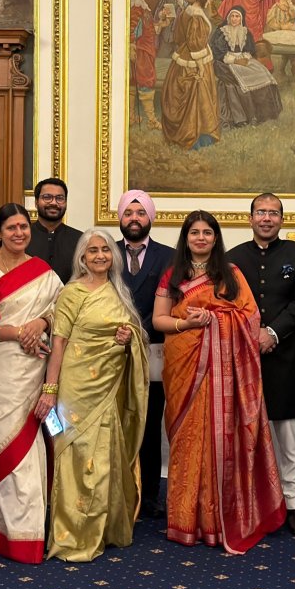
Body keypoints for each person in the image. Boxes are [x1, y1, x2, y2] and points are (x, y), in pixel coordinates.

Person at [151, 210, 283, 552]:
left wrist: (213, 318)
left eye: (207, 232)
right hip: (184, 366)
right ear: (186, 237)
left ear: (215, 237)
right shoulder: (172, 274)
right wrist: (189, 325)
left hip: (222, 374)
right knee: (186, 440)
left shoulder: (231, 273)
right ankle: (184, 520)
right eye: (194, 232)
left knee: (217, 440)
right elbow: (159, 320)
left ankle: (215, 521)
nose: (201, 238)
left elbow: (250, 318)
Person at [42, 229, 149, 561]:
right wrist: (50, 389)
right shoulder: (72, 292)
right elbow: (58, 342)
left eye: (105, 250)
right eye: (93, 251)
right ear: (82, 258)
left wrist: (125, 337)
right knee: (73, 456)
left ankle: (103, 530)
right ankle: (71, 534)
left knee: (103, 459)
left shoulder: (117, 291)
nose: (100, 255)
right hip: (75, 388)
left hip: (108, 388)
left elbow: (133, 335)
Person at [0, 203, 60, 563]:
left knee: (27, 442)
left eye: (24, 227)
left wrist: (40, 323)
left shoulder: (44, 272)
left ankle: (27, 532)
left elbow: (63, 311)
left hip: (34, 364)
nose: (19, 233)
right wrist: (14, 332)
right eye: (11, 228)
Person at [224, 194, 295, 535]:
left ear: (281, 219)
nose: (266, 218)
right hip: (242, 360)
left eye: (273, 213)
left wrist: (274, 332)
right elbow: (225, 303)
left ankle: (294, 506)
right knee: (242, 438)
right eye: (260, 212)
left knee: (290, 440)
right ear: (250, 219)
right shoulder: (231, 259)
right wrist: (250, 335)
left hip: (286, 359)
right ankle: (247, 504)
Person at [116, 189, 173, 519]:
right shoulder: (104, 252)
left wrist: (141, 329)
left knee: (149, 424)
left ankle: (150, 495)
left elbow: (174, 299)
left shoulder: (168, 255)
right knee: (118, 423)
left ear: (150, 218)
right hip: (113, 350)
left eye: (140, 213)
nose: (134, 218)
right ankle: (119, 490)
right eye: (128, 213)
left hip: (154, 350)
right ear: (121, 219)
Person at [158, 0, 221, 150]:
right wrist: (200, 67)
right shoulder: (197, 16)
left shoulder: (187, 11)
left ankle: (194, 134)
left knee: (193, 97)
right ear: (205, 0)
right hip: (194, 61)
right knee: (198, 95)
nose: (211, 2)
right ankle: (196, 137)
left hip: (183, 56)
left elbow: (179, 37)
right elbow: (195, 44)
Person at [210, 5, 283, 129]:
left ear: (241, 19)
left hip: (243, 58)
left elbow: (249, 50)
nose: (234, 19)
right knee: (240, 76)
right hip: (224, 62)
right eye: (232, 16)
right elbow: (217, 52)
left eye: (237, 16)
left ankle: (265, 113)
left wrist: (244, 58)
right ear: (228, 17)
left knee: (262, 72)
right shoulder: (221, 32)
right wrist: (234, 60)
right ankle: (247, 116)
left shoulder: (245, 31)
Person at [27, 177, 83, 284]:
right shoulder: (23, 238)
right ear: (36, 202)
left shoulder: (80, 240)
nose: (53, 203)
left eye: (60, 198)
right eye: (47, 197)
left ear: (66, 203)